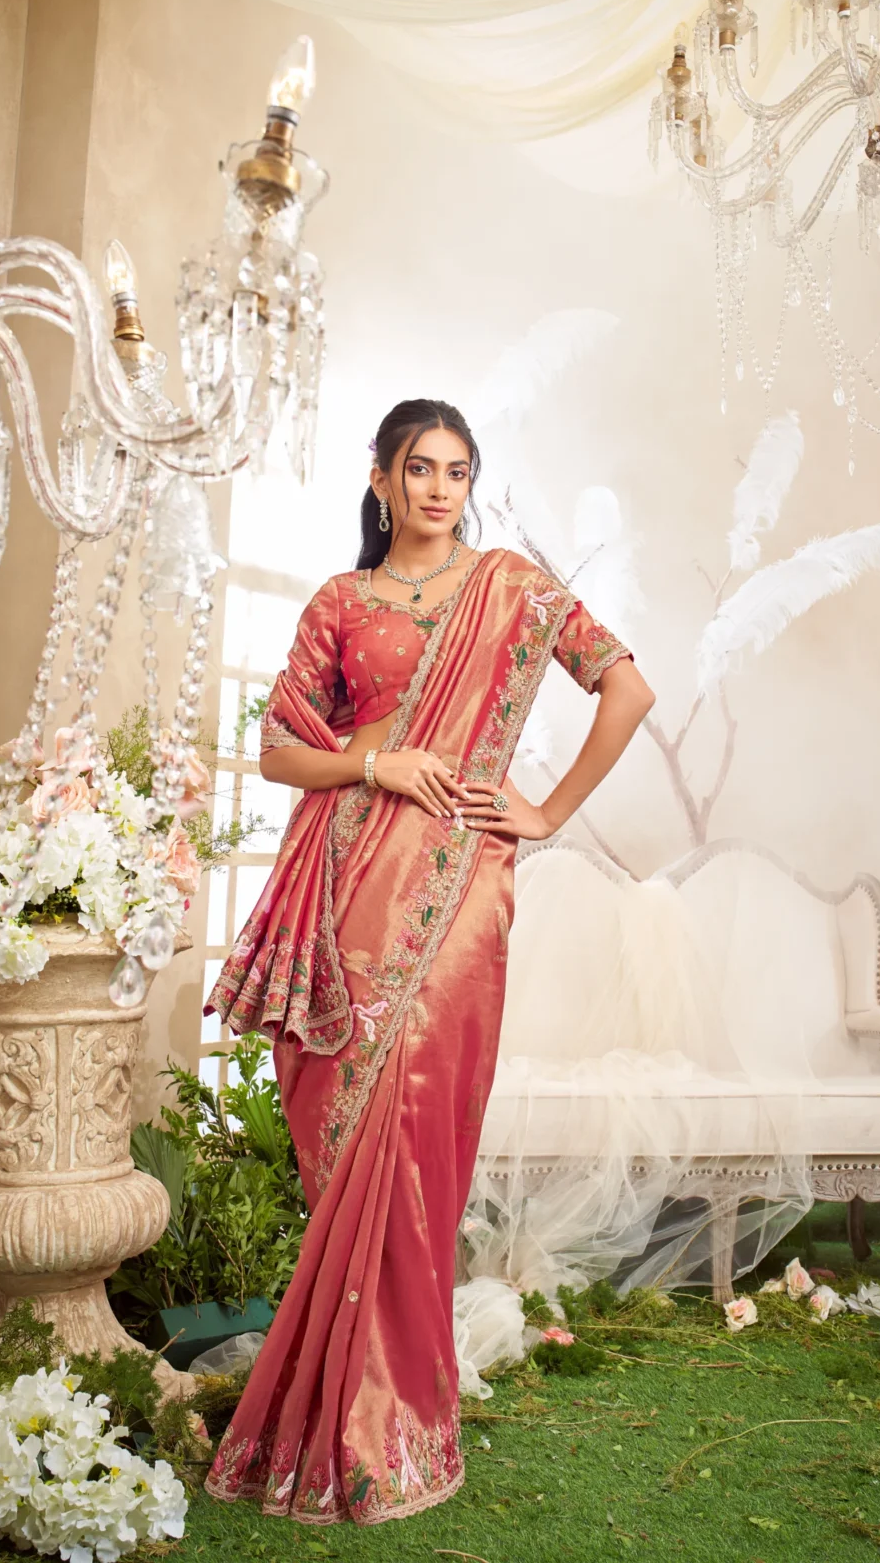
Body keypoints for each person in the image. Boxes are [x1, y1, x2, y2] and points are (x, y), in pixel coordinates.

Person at [203, 396, 654, 1525]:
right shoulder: (340, 603)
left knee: (412, 1129)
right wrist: (375, 767)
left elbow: (628, 688)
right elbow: (276, 751)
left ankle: (391, 1422)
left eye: (457, 469)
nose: (439, 488)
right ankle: (345, 1406)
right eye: (419, 468)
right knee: (343, 1127)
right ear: (381, 479)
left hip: (460, 895)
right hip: (347, 886)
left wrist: (544, 812)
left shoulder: (510, 584)